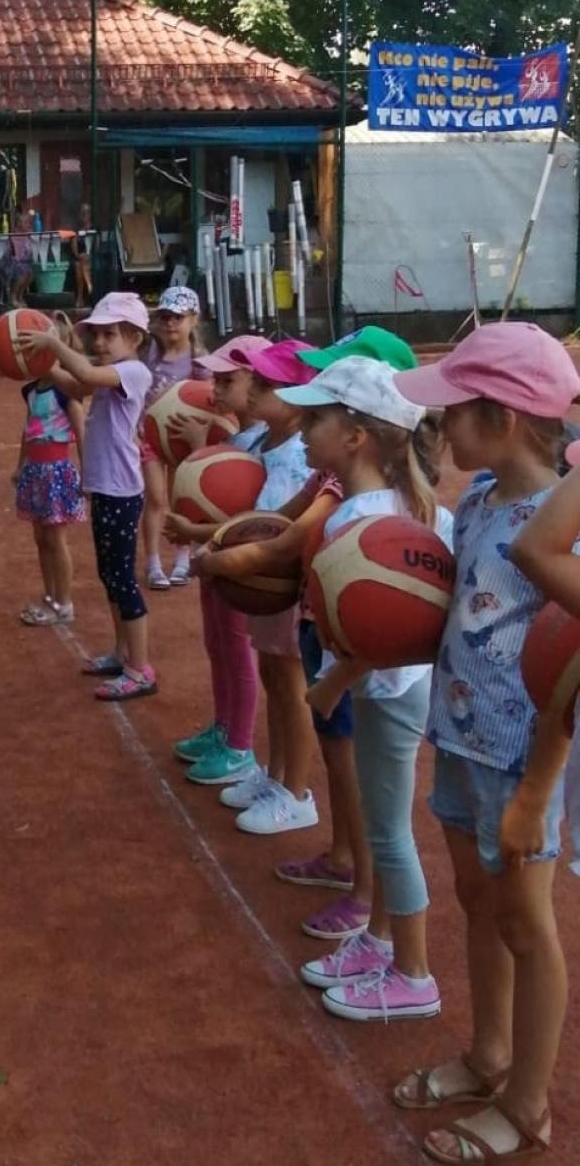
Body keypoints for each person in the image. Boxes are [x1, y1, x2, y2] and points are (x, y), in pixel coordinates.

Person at [389, 323, 579, 1163]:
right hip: (458, 737)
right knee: (474, 895)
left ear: (501, 418)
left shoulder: (561, 528)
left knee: (526, 921)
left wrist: (540, 788)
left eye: (454, 414)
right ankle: (489, 1053)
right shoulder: (475, 499)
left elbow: (570, 670)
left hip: (521, 755)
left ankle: (529, 1102)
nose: (441, 430)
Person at [276, 357, 452, 1022]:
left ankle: (413, 972)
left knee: (388, 834)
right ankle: (379, 941)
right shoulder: (399, 507)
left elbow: (391, 632)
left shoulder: (369, 523)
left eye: (316, 418)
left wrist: (332, 684)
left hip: (389, 688)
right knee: (385, 829)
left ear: (355, 437)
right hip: (391, 686)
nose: (302, 427)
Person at [195, 340, 320, 835]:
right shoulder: (257, 442)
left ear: (298, 397)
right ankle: (275, 775)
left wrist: (219, 553)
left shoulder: (300, 456)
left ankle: (297, 792)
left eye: (265, 385)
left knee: (292, 688)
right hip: (261, 584)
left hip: (284, 585)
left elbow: (271, 527)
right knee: (273, 678)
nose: (253, 391)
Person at [21, 291, 155, 700]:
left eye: (109, 334)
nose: (99, 343)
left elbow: (88, 376)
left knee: (124, 581)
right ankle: (122, 652)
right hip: (105, 489)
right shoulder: (110, 374)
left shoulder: (133, 372)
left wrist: (55, 344)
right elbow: (74, 380)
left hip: (121, 491)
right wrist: (45, 362)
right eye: (95, 335)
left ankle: (141, 667)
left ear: (134, 338)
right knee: (110, 576)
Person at [164, 335, 270, 786]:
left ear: (260, 382)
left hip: (238, 561)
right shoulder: (233, 435)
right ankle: (223, 727)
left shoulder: (261, 443)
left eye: (228, 381)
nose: (216, 390)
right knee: (217, 643)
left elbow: (249, 516)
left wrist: (202, 446)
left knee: (238, 648)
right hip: (214, 558)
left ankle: (240, 746)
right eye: (216, 380)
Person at [13, 312, 87, 626]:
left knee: (56, 540)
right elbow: (27, 430)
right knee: (41, 539)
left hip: (57, 470)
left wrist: (88, 473)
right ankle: (50, 597)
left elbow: (81, 433)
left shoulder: (65, 391)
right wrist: (20, 467)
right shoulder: (31, 391)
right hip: (35, 472)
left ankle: (65, 602)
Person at [140, 286, 202, 591]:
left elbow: (209, 402)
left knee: (181, 501)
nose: (170, 323)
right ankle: (152, 562)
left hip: (181, 439)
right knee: (156, 498)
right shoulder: (148, 352)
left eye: (178, 317)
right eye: (164, 316)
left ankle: (182, 557)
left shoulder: (200, 361)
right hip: (149, 436)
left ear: (194, 320)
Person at [70, 203, 94, 309]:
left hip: (92, 258)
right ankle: (88, 288)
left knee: (82, 265)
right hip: (81, 259)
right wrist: (80, 255)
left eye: (87, 213)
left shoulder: (94, 228)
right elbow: (74, 250)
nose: (85, 216)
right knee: (78, 265)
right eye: (83, 213)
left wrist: (90, 255)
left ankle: (80, 297)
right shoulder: (76, 231)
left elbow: (97, 247)